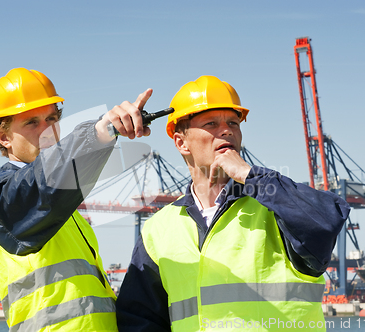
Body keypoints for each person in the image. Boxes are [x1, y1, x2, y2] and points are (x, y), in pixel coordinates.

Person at [116, 75, 350, 332]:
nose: (226, 130)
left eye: (233, 123)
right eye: (211, 123)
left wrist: (252, 176)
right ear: (181, 142)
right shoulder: (158, 230)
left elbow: (327, 220)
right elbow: (139, 319)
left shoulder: (274, 207)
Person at [0, 67, 152, 332]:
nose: (47, 131)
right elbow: (41, 185)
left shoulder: (68, 212)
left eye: (51, 119)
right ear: (4, 137)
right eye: (32, 122)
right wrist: (98, 133)